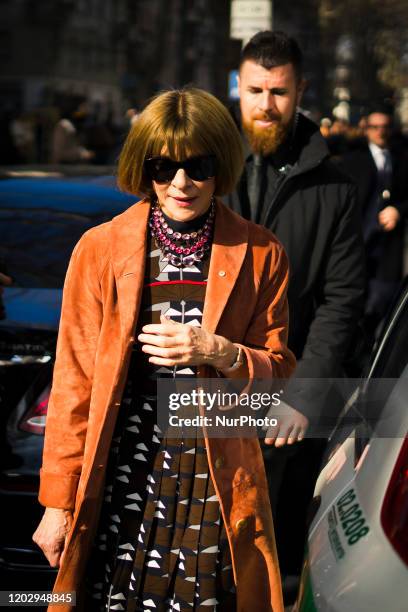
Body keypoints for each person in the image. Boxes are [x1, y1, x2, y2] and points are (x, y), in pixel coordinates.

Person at [33, 87, 296, 612]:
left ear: (220, 164)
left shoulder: (263, 252)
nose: (180, 183)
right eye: (162, 166)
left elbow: (280, 377)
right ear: (143, 167)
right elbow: (74, 384)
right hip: (123, 478)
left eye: (197, 166)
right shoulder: (100, 250)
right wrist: (57, 504)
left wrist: (221, 351)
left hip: (214, 484)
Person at [224, 31, 365, 579]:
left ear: (300, 90)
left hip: (288, 394)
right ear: (238, 86)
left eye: (278, 91)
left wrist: (304, 396)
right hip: (209, 384)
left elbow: (341, 299)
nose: (265, 104)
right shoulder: (203, 165)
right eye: (255, 89)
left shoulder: (334, 185)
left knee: (271, 551)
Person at [341, 107, 408, 345]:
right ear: (365, 129)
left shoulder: (402, 158)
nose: (381, 132)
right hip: (358, 243)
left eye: (385, 127)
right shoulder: (352, 160)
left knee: (383, 300)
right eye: (375, 127)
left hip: (388, 246)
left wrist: (398, 210)